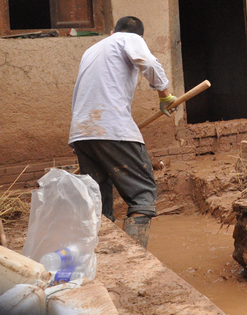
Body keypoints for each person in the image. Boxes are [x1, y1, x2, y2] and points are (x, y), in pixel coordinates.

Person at [69, 16, 176, 247]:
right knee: (142, 194)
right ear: (140, 36)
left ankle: (103, 256)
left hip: (82, 133)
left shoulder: (91, 50)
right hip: (112, 129)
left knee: (98, 204)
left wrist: (81, 139)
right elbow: (148, 62)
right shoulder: (130, 39)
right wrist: (165, 95)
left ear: (111, 31)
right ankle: (135, 258)